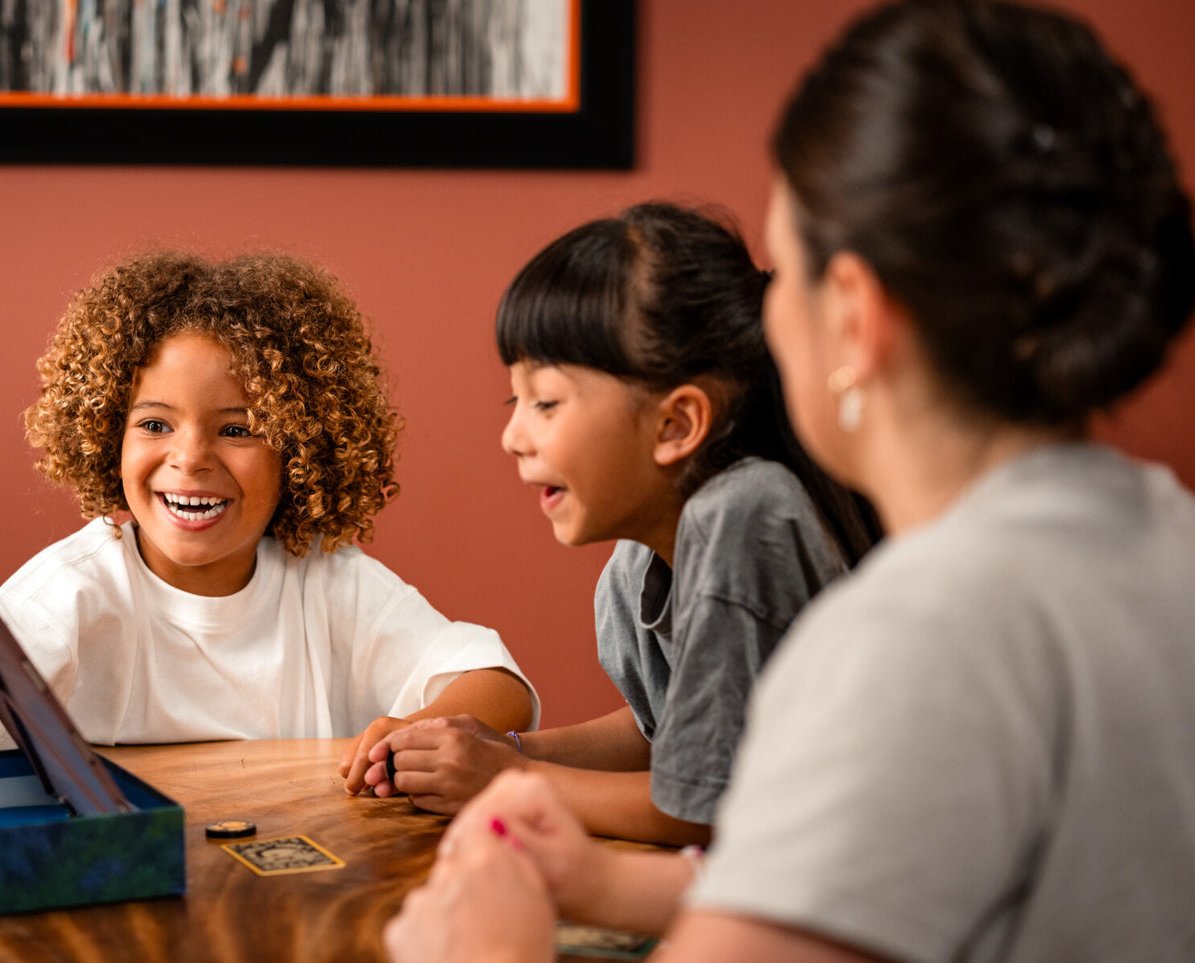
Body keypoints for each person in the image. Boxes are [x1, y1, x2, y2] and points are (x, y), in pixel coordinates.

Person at [384, 0, 1195, 960]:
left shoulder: (914, 636)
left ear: (852, 313)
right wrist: (597, 871)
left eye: (788, 275)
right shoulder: (1164, 535)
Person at [0, 250, 537, 777]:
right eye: (155, 425)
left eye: (236, 428)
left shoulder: (329, 581)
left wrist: (408, 737)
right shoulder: (74, 588)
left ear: (302, 444)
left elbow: (495, 685)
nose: (189, 458)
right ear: (106, 437)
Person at [354, 202, 877, 845]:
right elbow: (663, 735)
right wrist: (499, 749)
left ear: (676, 423)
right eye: (513, 400)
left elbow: (707, 808)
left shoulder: (746, 514)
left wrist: (507, 783)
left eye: (545, 402)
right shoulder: (637, 565)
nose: (512, 436)